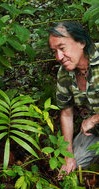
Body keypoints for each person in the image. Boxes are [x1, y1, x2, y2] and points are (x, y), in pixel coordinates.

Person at [49, 21, 99, 175]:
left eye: (62, 48)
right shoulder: (64, 73)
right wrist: (68, 155)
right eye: (54, 51)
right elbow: (66, 113)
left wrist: (94, 119)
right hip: (95, 133)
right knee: (70, 168)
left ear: (81, 42)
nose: (59, 56)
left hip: (93, 124)